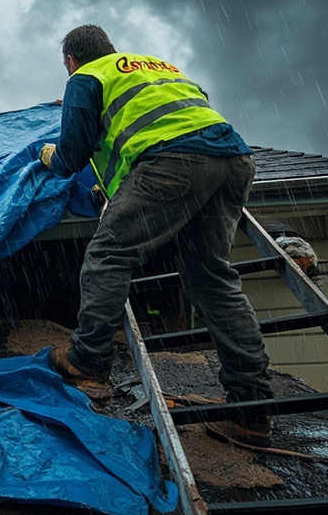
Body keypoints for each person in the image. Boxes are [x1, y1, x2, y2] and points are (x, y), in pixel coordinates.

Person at [39, 24, 275, 447]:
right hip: (234, 159)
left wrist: (47, 155)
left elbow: (73, 155)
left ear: (71, 61)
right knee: (211, 279)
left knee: (108, 254)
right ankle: (251, 409)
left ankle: (88, 363)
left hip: (174, 160)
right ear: (109, 48)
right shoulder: (157, 67)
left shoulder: (85, 79)